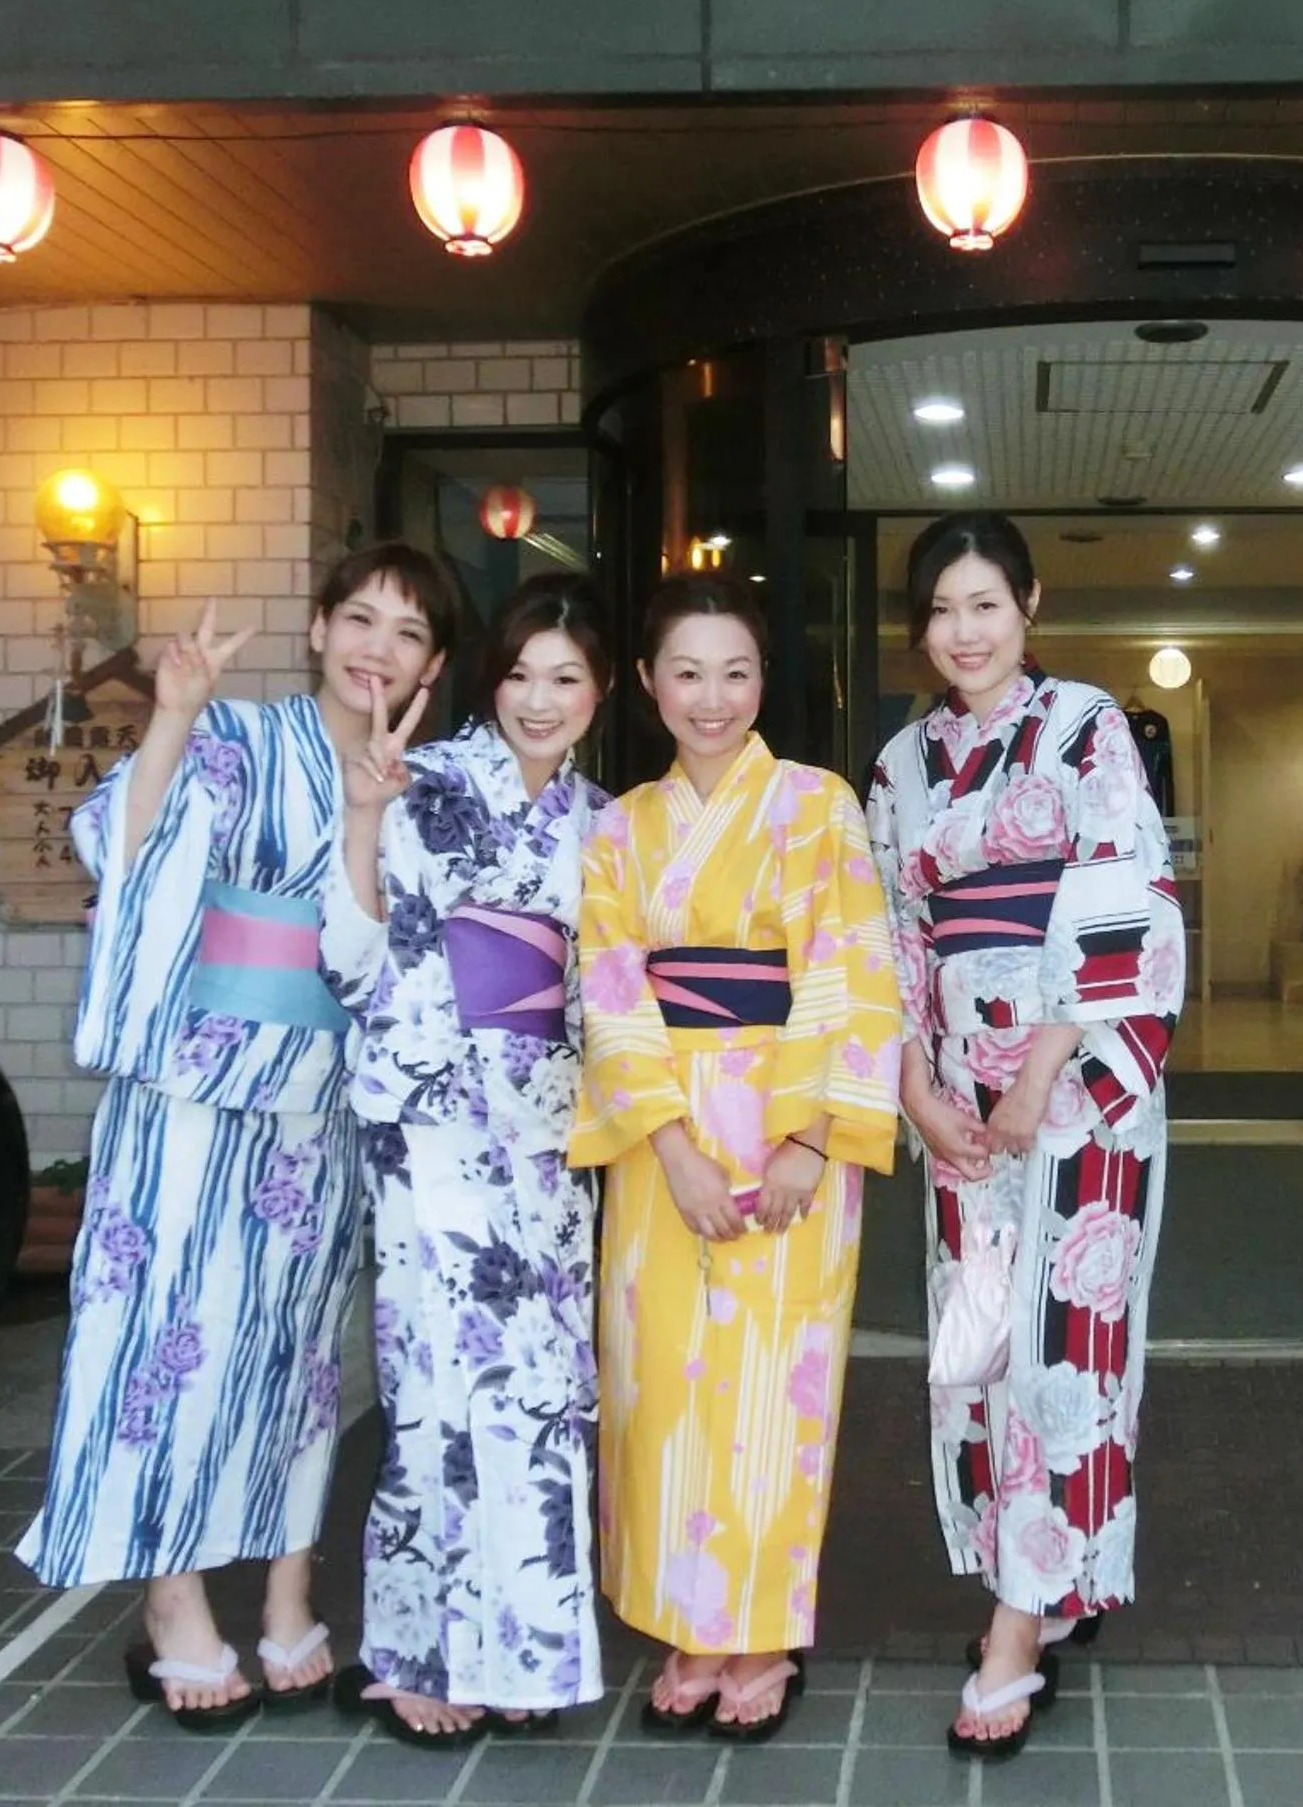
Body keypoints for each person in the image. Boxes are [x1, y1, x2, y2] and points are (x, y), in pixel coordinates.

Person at [15, 546, 457, 1731]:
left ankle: (285, 1590)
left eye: (407, 633)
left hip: (320, 1106)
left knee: (297, 1361)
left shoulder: (420, 778)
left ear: (434, 665)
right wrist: (169, 717)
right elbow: (124, 842)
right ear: (315, 631)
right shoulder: (240, 738)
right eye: (358, 619)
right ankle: (171, 1602)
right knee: (167, 1348)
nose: (377, 647)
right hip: (193, 1099)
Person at [863, 512, 1186, 1761]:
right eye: (942, 609)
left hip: (1076, 1091)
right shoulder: (898, 767)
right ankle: (1037, 1580)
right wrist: (913, 1087)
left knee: (1064, 1346)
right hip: (954, 1097)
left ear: (1030, 604)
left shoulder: (1088, 728)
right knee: (981, 1342)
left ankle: (1015, 1627)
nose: (964, 631)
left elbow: (1120, 894)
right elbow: (890, 933)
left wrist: (1038, 1071)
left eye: (985, 603)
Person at [571, 572, 901, 1743]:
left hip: (788, 1126)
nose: (712, 698)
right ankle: (687, 1626)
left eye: (737, 672)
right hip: (661, 1138)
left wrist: (811, 1134)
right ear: (649, 685)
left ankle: (759, 1629)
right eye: (687, 672)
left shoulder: (817, 806)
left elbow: (856, 968)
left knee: (772, 1387)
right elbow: (607, 990)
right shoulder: (620, 828)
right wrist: (669, 1145)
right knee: (655, 1382)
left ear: (766, 681)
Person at [319, 573, 615, 1749]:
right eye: (519, 677)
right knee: (437, 1391)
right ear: (486, 682)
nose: (539, 702)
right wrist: (359, 819)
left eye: (567, 679)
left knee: (544, 1397)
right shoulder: (422, 782)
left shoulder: (604, 821)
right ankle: (415, 1651)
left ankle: (528, 1650)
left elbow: (613, 986)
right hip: (436, 1129)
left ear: (600, 693)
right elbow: (355, 963)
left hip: (549, 1137)